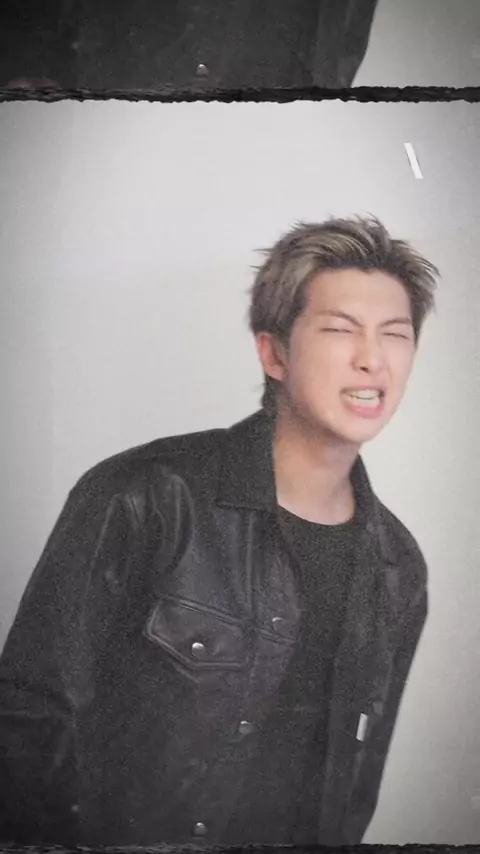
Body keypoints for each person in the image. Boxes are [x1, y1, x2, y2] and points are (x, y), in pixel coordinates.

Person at [0, 214, 440, 846]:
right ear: (273, 352)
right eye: (340, 330)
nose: (372, 360)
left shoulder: (397, 566)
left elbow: (352, 787)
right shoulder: (146, 499)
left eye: (395, 335)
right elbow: (28, 723)